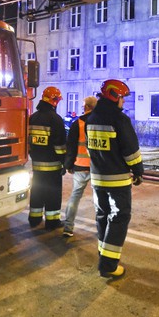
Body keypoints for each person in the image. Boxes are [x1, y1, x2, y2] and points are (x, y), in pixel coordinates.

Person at [86, 79, 143, 279]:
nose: (123, 102)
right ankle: (109, 265)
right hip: (117, 179)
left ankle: (103, 254)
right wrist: (138, 170)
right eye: (122, 98)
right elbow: (130, 151)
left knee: (102, 215)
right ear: (114, 96)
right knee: (119, 217)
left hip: (97, 178)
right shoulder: (120, 120)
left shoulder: (91, 118)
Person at [28, 86, 67, 230]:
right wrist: (64, 162)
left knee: (37, 190)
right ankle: (52, 221)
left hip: (36, 164)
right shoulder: (55, 119)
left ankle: (34, 218)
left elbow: (29, 141)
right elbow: (60, 145)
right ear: (55, 101)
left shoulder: (33, 117)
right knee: (53, 193)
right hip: (52, 165)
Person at [62, 95, 98, 238]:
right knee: (99, 200)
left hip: (80, 166)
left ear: (88, 107)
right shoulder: (101, 123)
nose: (82, 107)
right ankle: (101, 228)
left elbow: (71, 146)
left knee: (75, 196)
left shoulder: (78, 124)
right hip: (97, 168)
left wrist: (68, 165)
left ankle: (68, 227)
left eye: (84, 105)